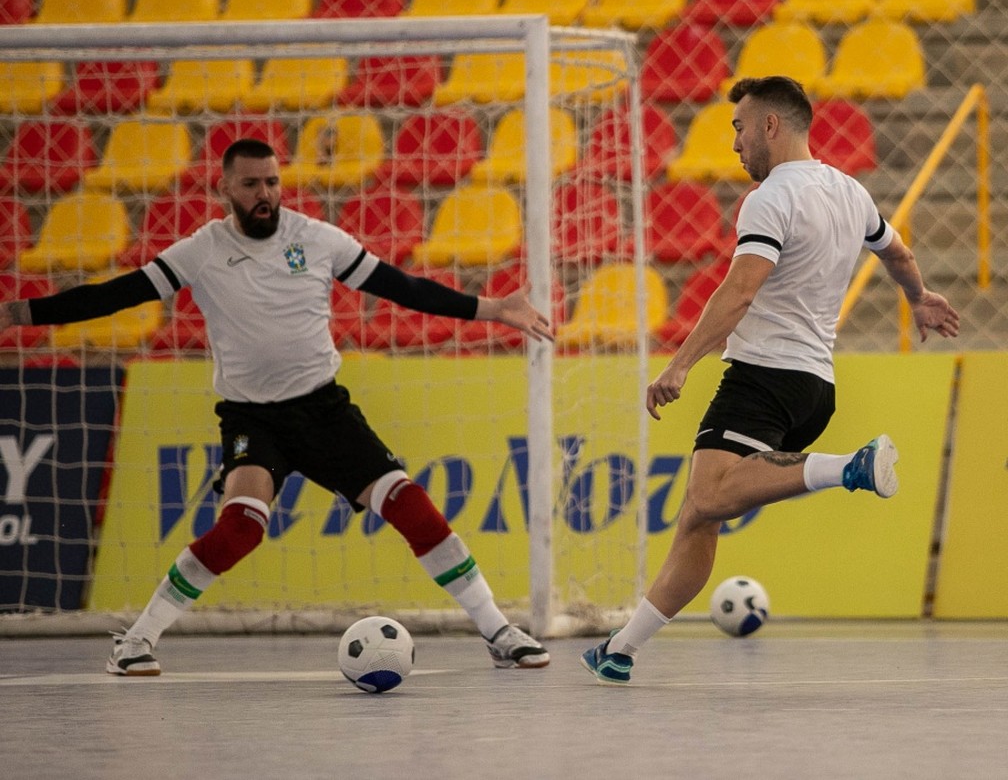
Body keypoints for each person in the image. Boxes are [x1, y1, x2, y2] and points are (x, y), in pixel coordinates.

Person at [0, 137, 555, 676]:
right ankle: (137, 639)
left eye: (271, 182)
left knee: (409, 505)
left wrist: (492, 308)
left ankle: (498, 632)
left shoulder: (316, 239)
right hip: (252, 419)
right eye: (251, 184)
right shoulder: (203, 250)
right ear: (226, 189)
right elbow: (115, 294)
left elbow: (402, 287)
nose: (264, 193)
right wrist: (17, 314)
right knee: (241, 528)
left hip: (323, 411)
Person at [581, 76, 960, 685]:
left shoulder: (769, 199)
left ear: (771, 126)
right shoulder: (850, 192)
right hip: (815, 388)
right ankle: (620, 649)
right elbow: (899, 254)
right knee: (698, 518)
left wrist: (681, 363)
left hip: (764, 375)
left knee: (706, 499)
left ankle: (850, 468)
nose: (733, 143)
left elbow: (741, 289)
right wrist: (919, 299)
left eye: (738, 127)